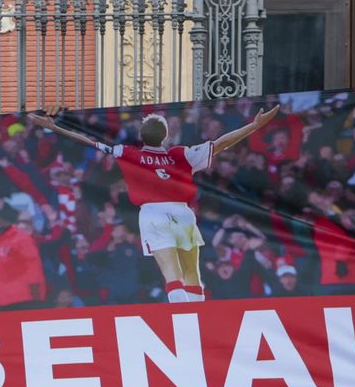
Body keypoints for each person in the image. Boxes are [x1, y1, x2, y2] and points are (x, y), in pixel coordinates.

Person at [26, 105, 278, 302]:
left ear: (141, 135)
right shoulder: (181, 155)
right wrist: (254, 126)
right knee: (192, 273)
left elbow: (89, 141)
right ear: (165, 136)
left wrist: (56, 127)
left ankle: (181, 323)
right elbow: (222, 143)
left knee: (171, 273)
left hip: (152, 213)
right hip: (182, 212)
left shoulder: (128, 153)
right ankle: (196, 322)